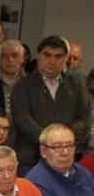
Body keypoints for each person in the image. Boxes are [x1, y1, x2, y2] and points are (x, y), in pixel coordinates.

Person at [11, 35, 92, 169]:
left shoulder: (76, 84)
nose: (51, 61)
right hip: (31, 158)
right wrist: (51, 141)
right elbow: (22, 120)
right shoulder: (23, 85)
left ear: (65, 59)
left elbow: (85, 119)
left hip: (67, 157)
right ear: (38, 56)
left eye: (58, 56)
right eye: (46, 55)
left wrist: (62, 142)